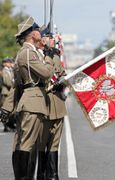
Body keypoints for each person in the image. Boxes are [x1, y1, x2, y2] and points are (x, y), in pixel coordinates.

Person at [12, 16, 54, 180]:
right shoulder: (27, 53)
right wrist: (49, 57)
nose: (40, 32)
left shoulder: (31, 52)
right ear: (31, 34)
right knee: (27, 144)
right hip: (32, 102)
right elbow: (46, 73)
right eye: (37, 29)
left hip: (35, 101)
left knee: (30, 144)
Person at [36, 26, 67, 180]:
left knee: (54, 142)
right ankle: (41, 174)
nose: (53, 39)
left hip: (57, 104)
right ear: (42, 39)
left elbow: (62, 74)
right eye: (49, 36)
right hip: (43, 103)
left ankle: (53, 175)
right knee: (41, 142)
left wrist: (62, 82)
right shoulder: (35, 55)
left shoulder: (55, 56)